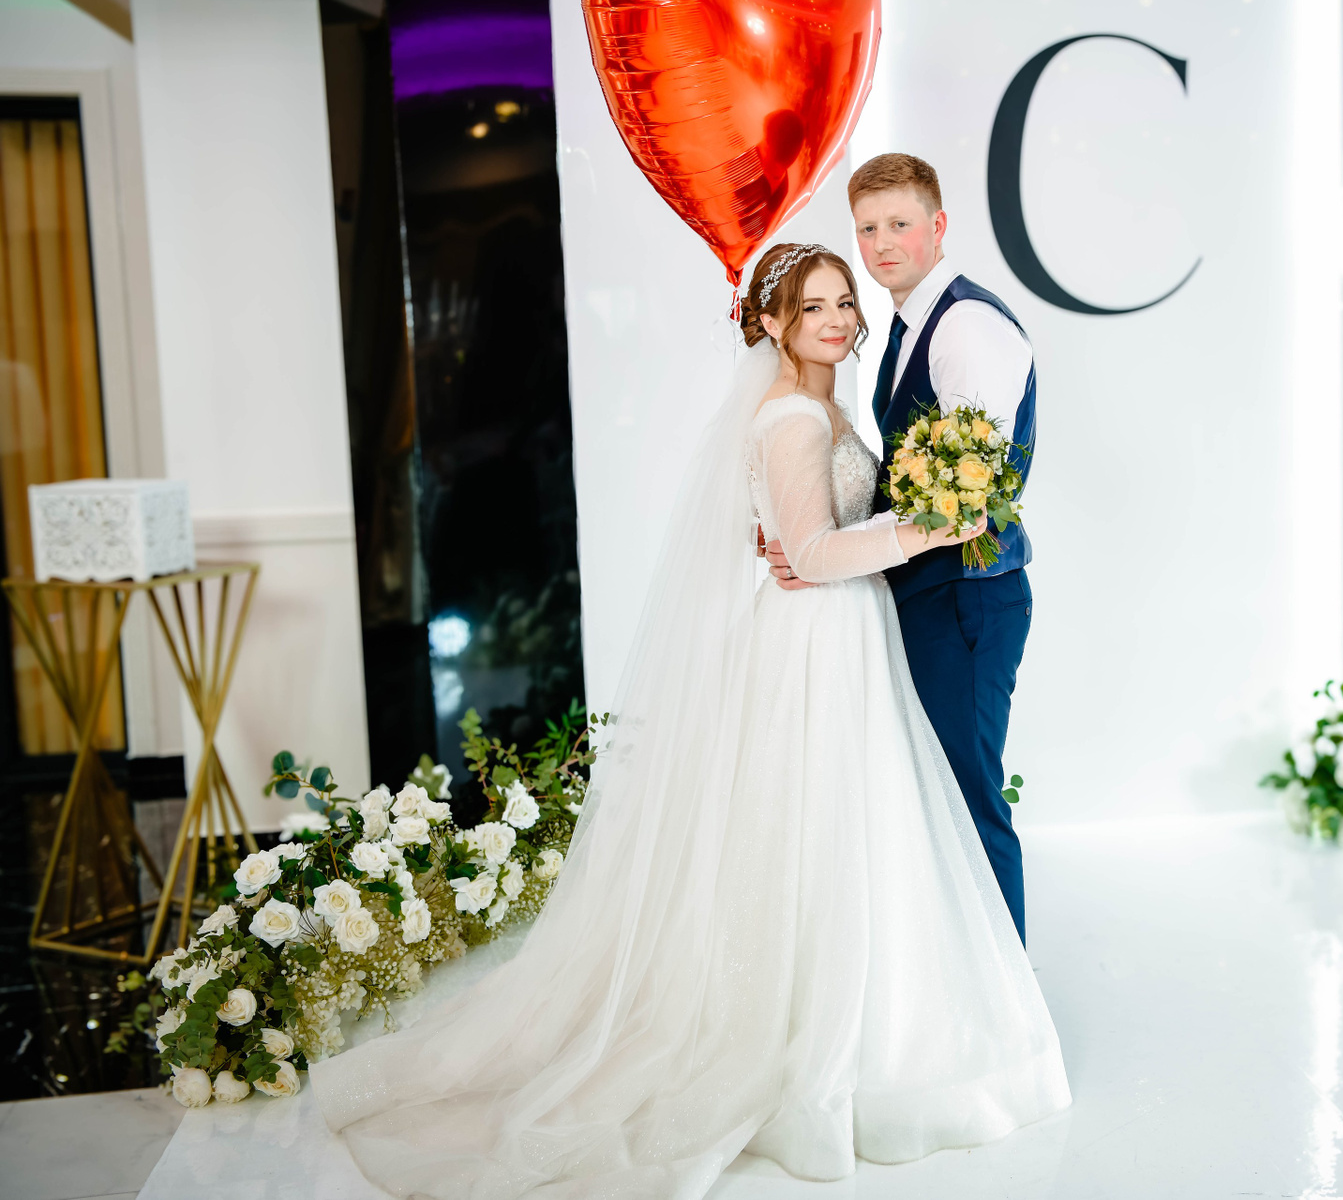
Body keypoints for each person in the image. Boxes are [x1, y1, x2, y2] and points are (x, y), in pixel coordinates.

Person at [310, 244, 1069, 1198]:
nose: (838, 319)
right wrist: (930, 526)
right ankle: (812, 1026)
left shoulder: (830, 407)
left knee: (852, 829)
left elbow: (806, 535)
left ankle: (875, 998)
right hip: (814, 642)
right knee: (814, 830)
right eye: (814, 307)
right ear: (775, 324)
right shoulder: (792, 415)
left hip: (847, 634)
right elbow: (814, 554)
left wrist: (825, 533)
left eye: (845, 302)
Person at [765, 154, 1037, 942]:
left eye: (899, 224)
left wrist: (821, 551)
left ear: (938, 225)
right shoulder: (913, 323)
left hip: (966, 599)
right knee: (929, 801)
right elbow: (902, 487)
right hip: (921, 597)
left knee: (967, 799)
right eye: (867, 228)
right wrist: (803, 534)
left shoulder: (966, 328)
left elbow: (966, 498)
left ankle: (1005, 991)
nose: (881, 243)